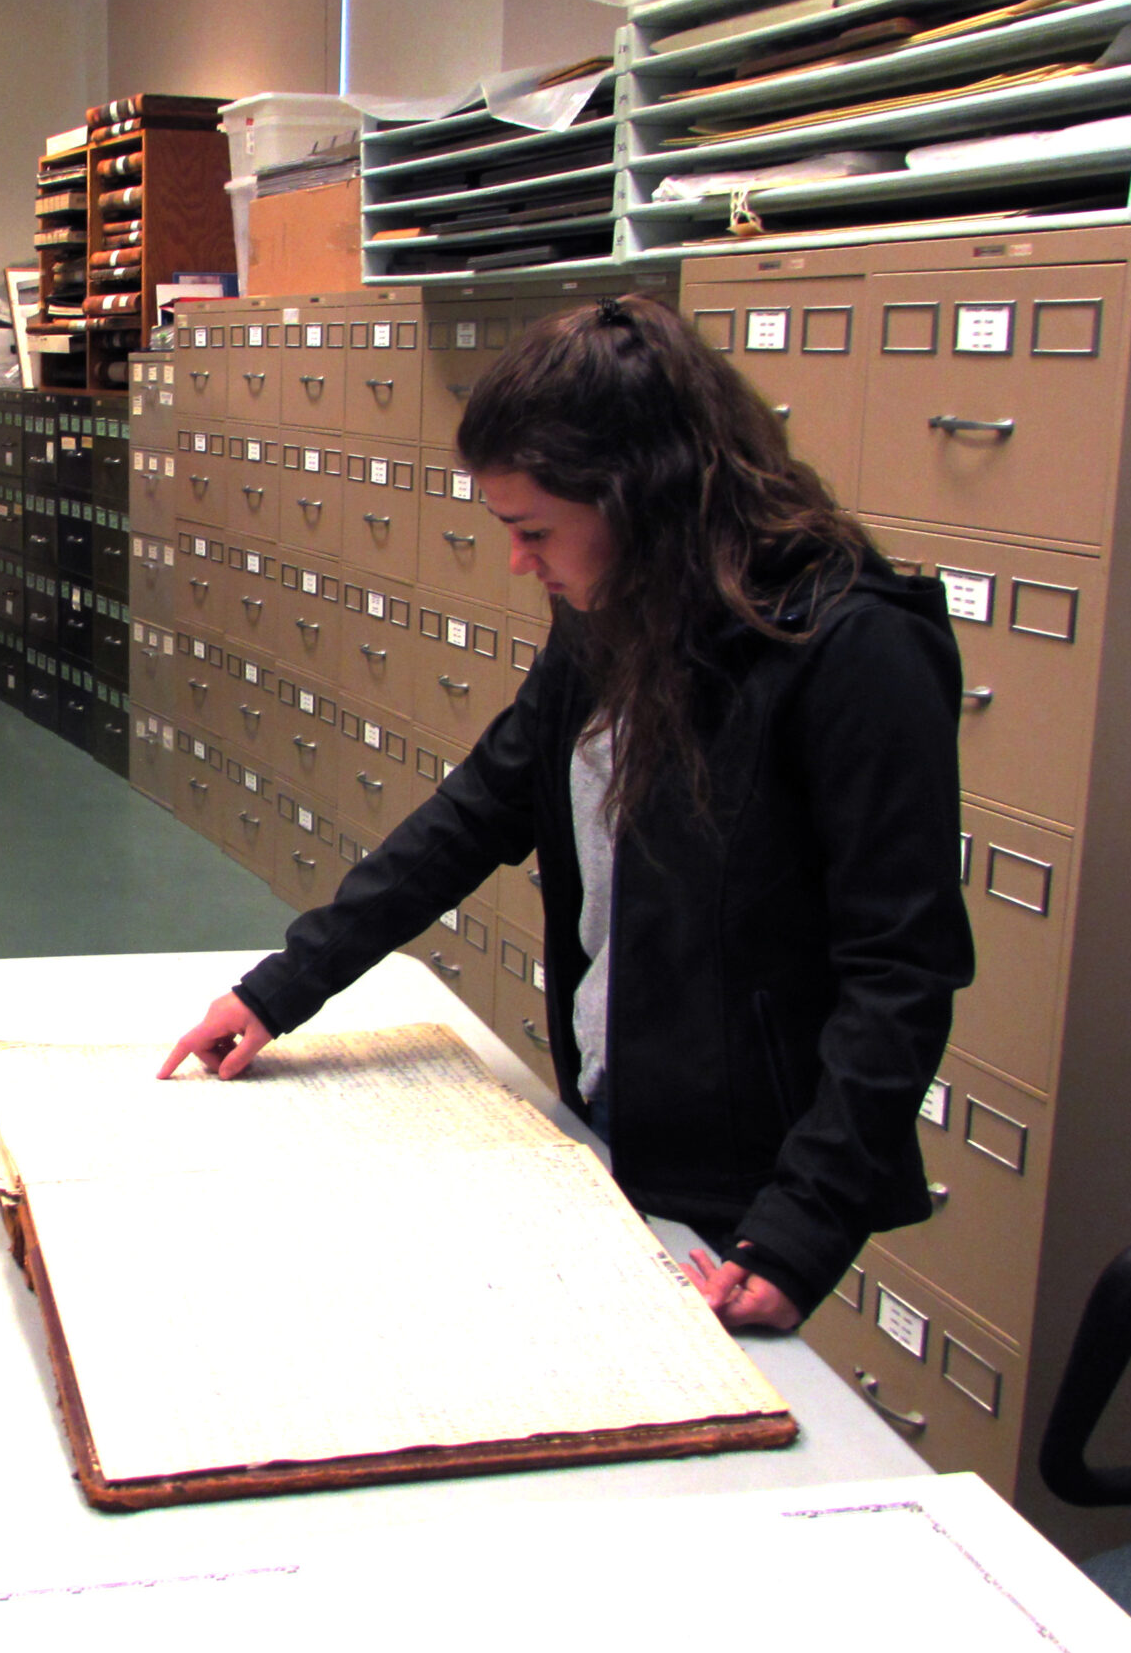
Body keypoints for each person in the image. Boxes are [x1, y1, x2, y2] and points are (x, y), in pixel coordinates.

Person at [158, 293, 973, 1332]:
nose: (517, 561)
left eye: (533, 529)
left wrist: (800, 1229)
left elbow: (901, 971)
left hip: (749, 1180)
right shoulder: (616, 611)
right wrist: (283, 988)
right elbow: (477, 813)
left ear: (640, 496)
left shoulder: (853, 653)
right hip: (615, 1117)